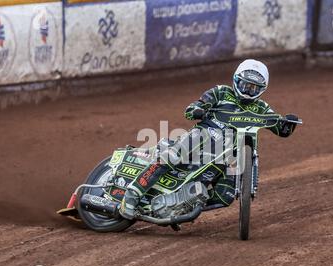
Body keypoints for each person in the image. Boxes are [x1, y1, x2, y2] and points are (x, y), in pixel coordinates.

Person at [119, 59, 299, 220]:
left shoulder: (261, 107)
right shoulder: (221, 92)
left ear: (262, 89)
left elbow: (280, 129)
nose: (248, 91)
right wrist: (198, 109)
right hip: (203, 137)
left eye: (253, 88)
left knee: (225, 196)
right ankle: (132, 194)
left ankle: (180, 206)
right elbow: (191, 109)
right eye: (245, 85)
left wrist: (288, 123)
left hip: (229, 157)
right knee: (172, 156)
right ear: (236, 80)